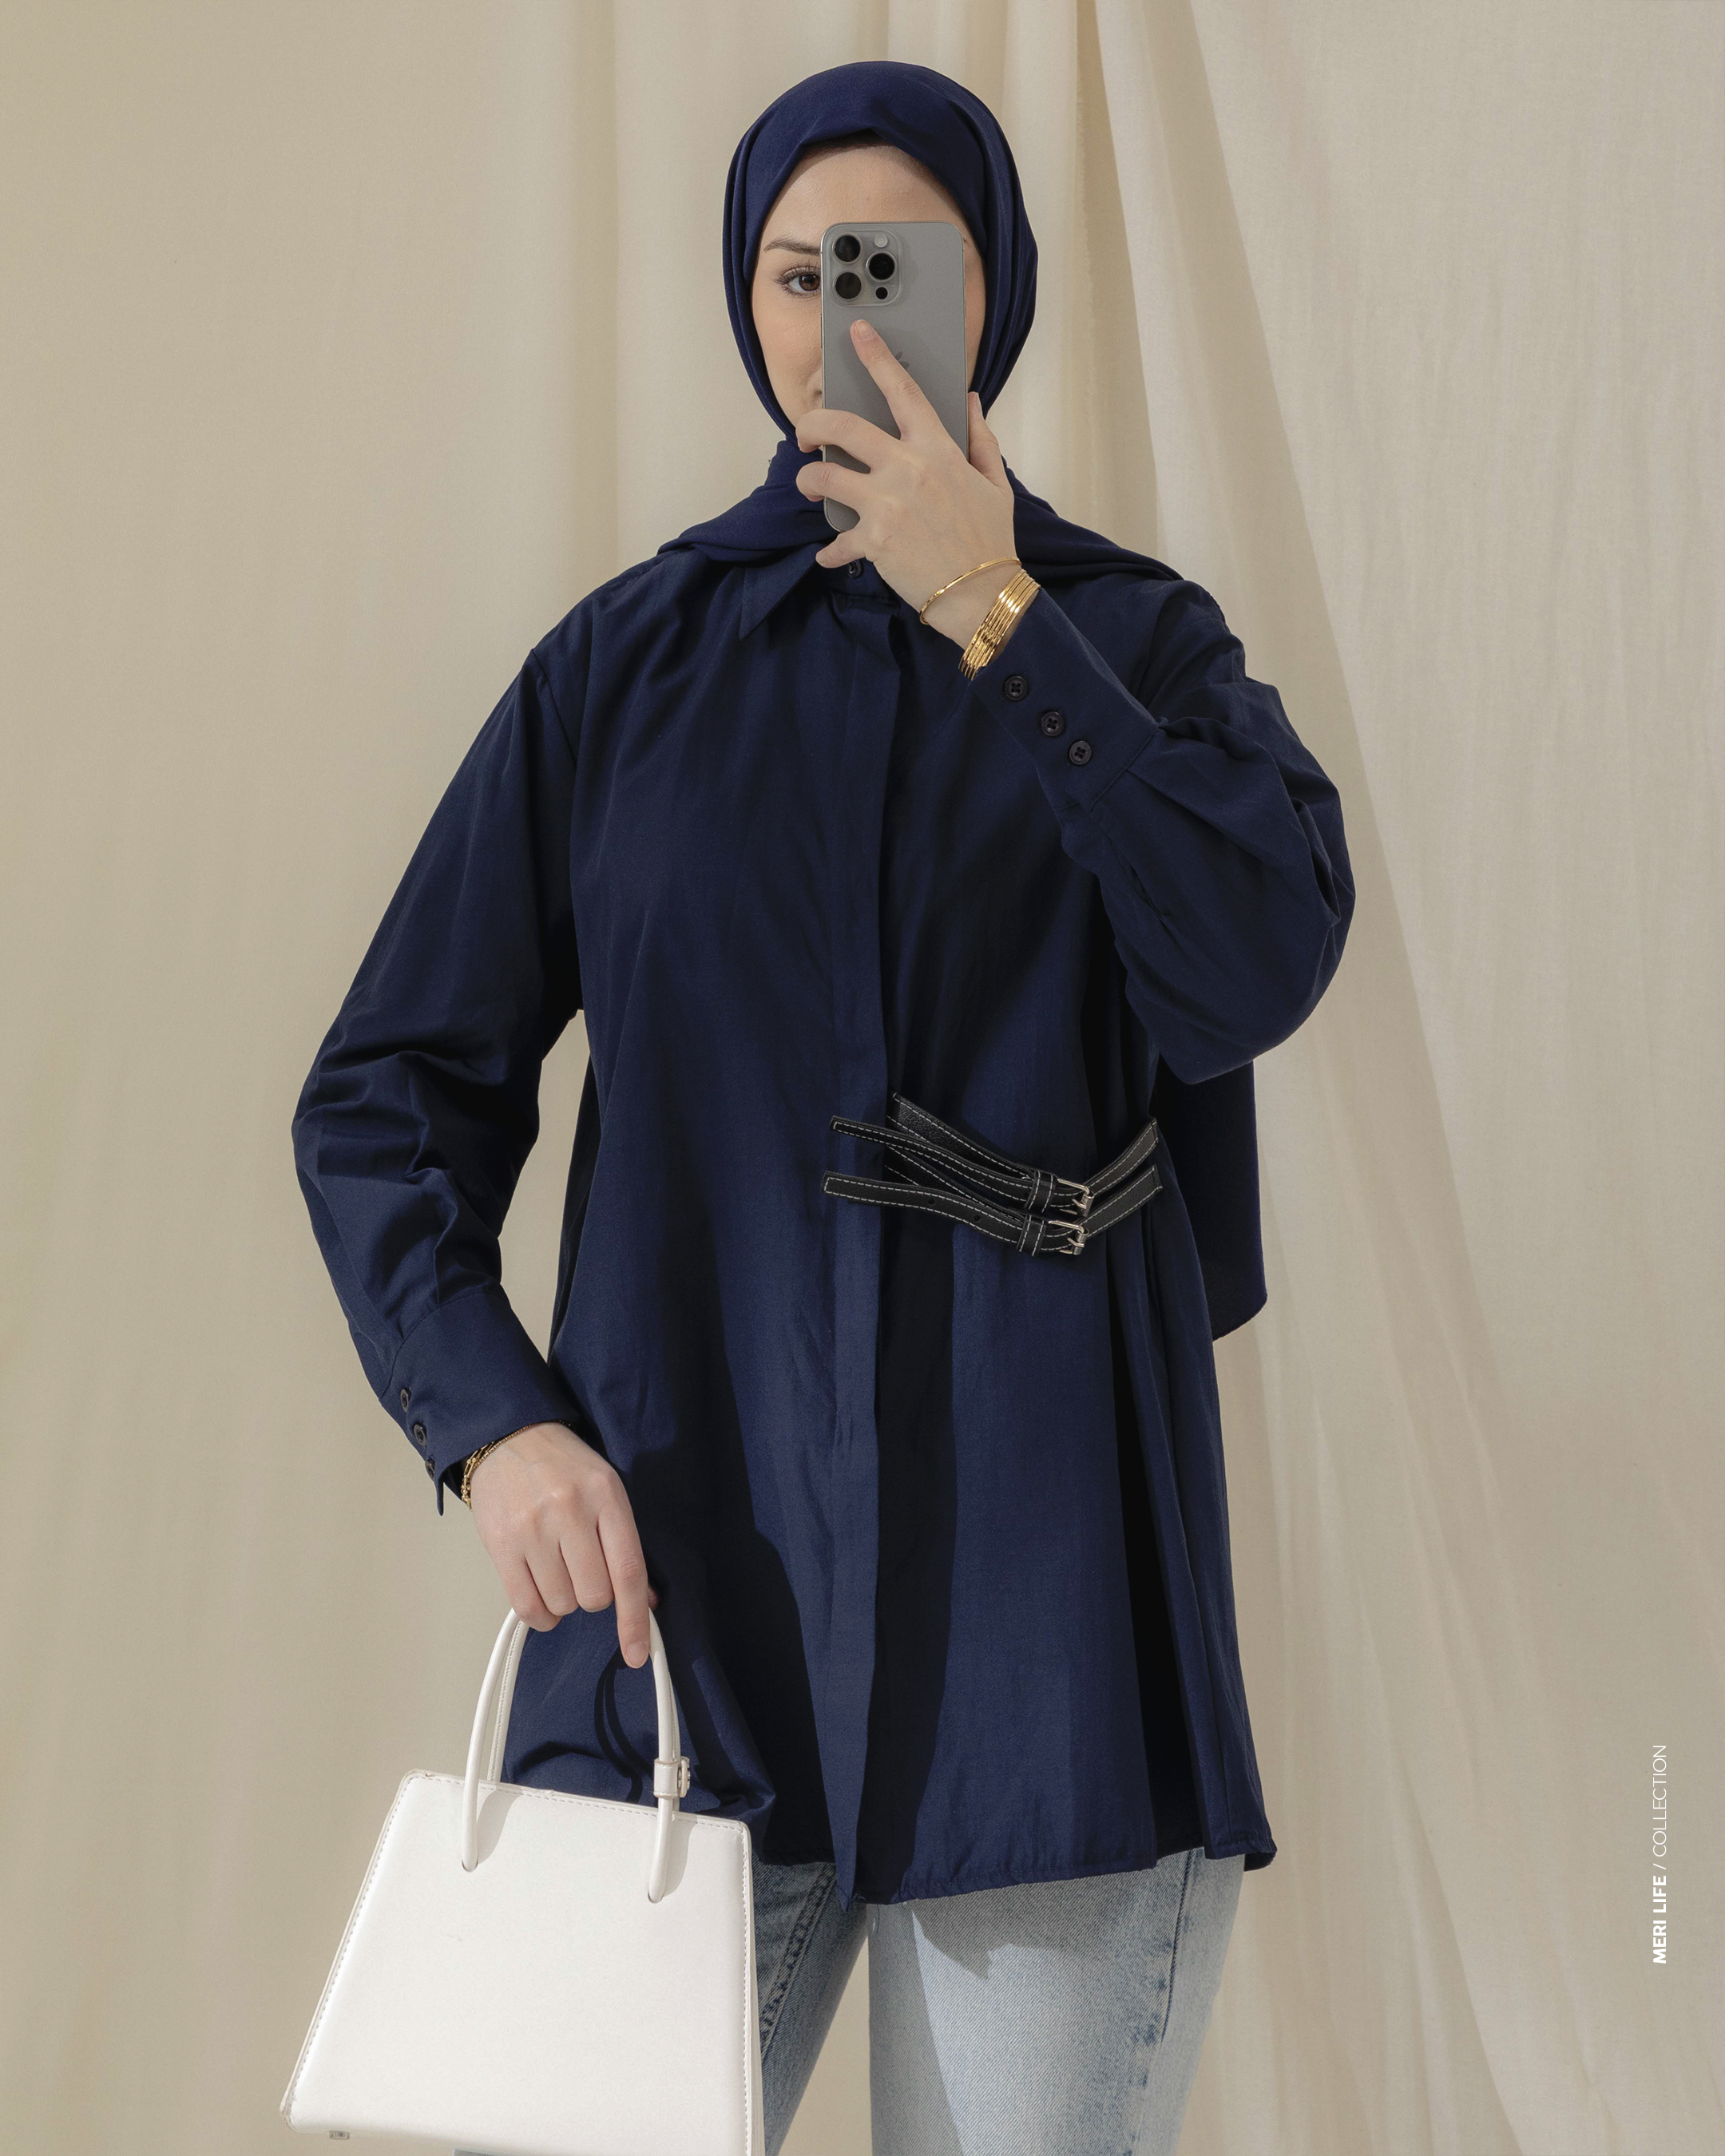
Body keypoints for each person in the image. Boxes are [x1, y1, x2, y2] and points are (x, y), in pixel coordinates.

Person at [293, 58, 1354, 2156]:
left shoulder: (1139, 646)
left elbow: (1252, 969)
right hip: (685, 1627)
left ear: (993, 290)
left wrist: (997, 616)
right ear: (745, 301)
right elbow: (388, 1090)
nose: (841, 317)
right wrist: (491, 1422)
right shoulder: (626, 671)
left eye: (897, 266)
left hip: (1052, 1639)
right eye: (800, 273)